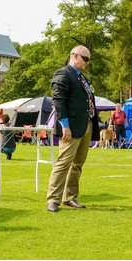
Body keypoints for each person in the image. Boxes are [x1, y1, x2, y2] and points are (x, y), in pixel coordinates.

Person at [46, 45, 100, 213]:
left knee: (78, 164)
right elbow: (58, 100)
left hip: (87, 124)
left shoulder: (83, 78)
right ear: (75, 56)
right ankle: (53, 199)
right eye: (85, 59)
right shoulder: (63, 73)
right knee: (64, 162)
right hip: (71, 126)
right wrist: (65, 126)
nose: (87, 63)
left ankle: (70, 197)